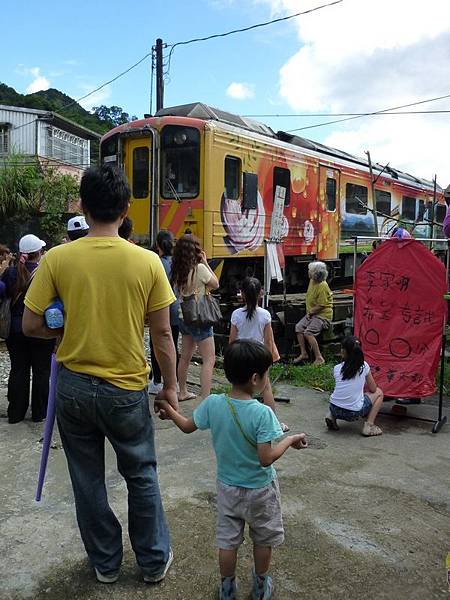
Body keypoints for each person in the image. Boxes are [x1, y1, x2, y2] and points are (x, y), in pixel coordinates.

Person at [22, 165, 178, 584]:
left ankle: (106, 564)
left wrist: (66, 326)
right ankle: (151, 562)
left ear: (83, 207)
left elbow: (30, 325)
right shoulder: (147, 263)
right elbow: (162, 332)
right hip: (126, 389)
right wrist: (173, 388)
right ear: (126, 209)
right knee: (141, 473)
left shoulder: (57, 257)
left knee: (87, 479)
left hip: (72, 387)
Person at [155, 339, 307, 600]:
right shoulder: (263, 414)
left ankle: (227, 589)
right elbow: (266, 458)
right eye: (266, 375)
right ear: (255, 378)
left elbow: (187, 426)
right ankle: (260, 588)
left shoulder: (214, 403)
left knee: (228, 542)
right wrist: (289, 440)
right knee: (262, 539)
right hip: (260, 489)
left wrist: (170, 410)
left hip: (228, 488)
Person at [1, 234, 53, 423]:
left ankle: (16, 413)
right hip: (41, 329)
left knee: (18, 370)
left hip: (15, 329)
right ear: (39, 252)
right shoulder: (46, 273)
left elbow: (3, 292)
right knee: (42, 372)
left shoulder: (11, 273)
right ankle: (40, 413)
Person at [229, 277, 289, 433]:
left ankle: (236, 422)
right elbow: (269, 341)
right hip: (258, 356)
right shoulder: (265, 315)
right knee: (266, 389)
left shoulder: (236, 315)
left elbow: (232, 341)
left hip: (240, 356)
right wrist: (268, 363)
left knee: (239, 390)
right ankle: (274, 424)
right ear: (260, 294)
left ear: (242, 294)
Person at [171, 234, 219, 401]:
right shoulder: (199, 268)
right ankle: (206, 398)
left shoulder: (177, 269)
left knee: (185, 356)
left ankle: (182, 391)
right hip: (200, 316)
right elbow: (215, 284)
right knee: (209, 359)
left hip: (184, 315)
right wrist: (205, 262)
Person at [325, 336, 384, 436]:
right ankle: (369, 426)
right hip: (353, 413)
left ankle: (331, 416)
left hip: (334, 408)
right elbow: (373, 389)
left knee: (338, 392)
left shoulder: (337, 368)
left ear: (343, 351)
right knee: (379, 392)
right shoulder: (364, 366)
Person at [149, 230, 180, 395]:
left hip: (162, 308)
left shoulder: (158, 262)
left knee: (156, 345)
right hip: (176, 308)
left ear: (158, 245)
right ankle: (174, 380)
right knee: (173, 344)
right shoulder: (176, 261)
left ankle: (157, 381)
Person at [293, 261, 333, 366]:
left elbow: (322, 305)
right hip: (312, 314)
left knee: (308, 333)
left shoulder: (323, 286)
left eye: (310, 271)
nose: (308, 272)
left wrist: (310, 312)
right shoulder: (312, 281)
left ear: (315, 273)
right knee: (298, 327)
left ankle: (319, 357)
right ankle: (304, 353)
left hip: (322, 315)